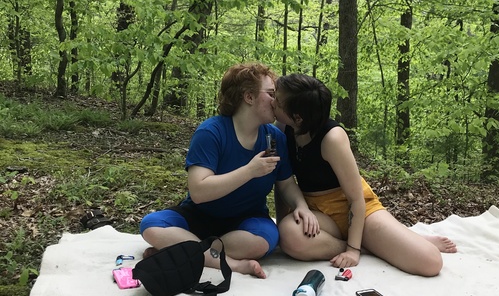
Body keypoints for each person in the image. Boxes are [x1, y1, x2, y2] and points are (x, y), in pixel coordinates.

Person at [140, 63, 319, 278]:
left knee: (264, 240)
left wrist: (302, 206)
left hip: (246, 220)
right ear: (249, 97)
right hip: (201, 216)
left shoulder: (275, 137)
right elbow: (198, 191)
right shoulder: (211, 132)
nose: (277, 101)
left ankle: (183, 249)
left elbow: (287, 183)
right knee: (151, 226)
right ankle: (230, 264)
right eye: (271, 94)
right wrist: (250, 170)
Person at [274, 73, 456, 275]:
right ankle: (371, 247)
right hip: (317, 211)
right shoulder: (282, 130)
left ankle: (381, 240)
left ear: (297, 116)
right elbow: (282, 182)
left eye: (278, 101)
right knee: (288, 234)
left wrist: (353, 251)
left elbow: (356, 198)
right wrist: (281, 224)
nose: (272, 102)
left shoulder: (332, 138)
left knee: (430, 262)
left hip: (357, 210)